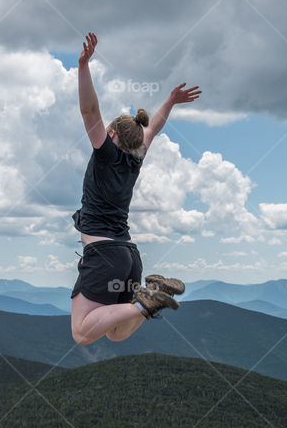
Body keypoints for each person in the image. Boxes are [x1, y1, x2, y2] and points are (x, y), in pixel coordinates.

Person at [70, 31, 202, 345]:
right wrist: (170, 101)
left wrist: (83, 65)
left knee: (81, 333)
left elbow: (89, 111)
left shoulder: (107, 154)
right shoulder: (135, 159)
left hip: (103, 254)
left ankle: (145, 300)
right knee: (115, 334)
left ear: (112, 135)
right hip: (129, 257)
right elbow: (152, 127)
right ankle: (149, 298)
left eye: (107, 130)